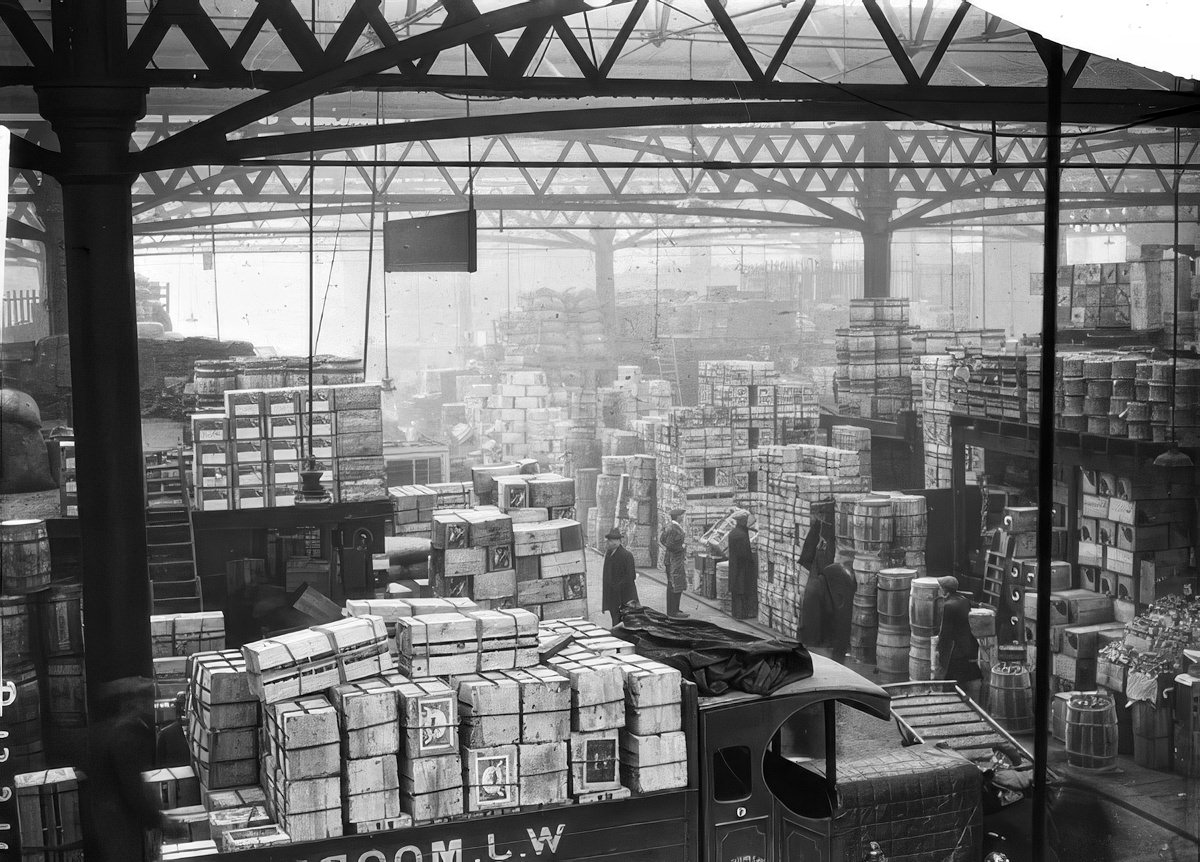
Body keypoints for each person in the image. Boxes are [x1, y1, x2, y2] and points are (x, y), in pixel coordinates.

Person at [85, 677, 184, 861]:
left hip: (109, 817)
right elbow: (133, 787)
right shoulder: (124, 736)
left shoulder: (111, 729)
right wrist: (160, 820)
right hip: (119, 821)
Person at [799, 561, 855, 664]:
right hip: (821, 643)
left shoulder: (820, 583)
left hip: (814, 641)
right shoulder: (839, 584)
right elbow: (843, 622)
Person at [935, 575, 982, 699]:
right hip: (968, 644)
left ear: (945, 590)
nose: (939, 589)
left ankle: (951, 700)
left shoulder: (948, 606)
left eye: (940, 587)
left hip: (956, 648)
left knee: (950, 679)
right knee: (965, 674)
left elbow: (945, 633)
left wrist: (939, 651)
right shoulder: (964, 600)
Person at [600, 527, 639, 627]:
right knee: (615, 623)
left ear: (617, 541)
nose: (607, 543)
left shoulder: (627, 555)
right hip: (613, 598)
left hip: (624, 598)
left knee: (626, 624)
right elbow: (606, 578)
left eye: (610, 541)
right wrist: (606, 602)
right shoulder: (609, 554)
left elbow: (631, 577)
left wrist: (617, 587)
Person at [659, 507, 690, 619]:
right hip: (674, 561)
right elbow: (670, 544)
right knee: (675, 584)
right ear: (678, 517)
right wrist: (682, 547)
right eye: (682, 515)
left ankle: (674, 609)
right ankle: (673, 611)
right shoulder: (674, 528)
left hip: (672, 560)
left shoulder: (669, 526)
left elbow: (662, 540)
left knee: (674, 584)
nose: (683, 517)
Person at [726, 512, 758, 620]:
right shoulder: (742, 535)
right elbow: (744, 554)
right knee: (742, 590)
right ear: (742, 521)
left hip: (734, 566)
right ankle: (742, 614)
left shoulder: (733, 533)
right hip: (742, 568)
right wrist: (751, 561)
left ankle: (735, 613)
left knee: (736, 591)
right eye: (745, 521)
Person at [155, 691, 190, 766]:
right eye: (182, 705)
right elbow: (160, 764)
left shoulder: (165, 734)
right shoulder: (166, 734)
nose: (183, 708)